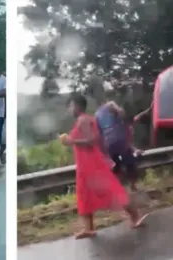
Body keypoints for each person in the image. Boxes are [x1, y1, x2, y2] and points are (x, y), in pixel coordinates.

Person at [61, 94, 148, 239]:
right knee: (84, 195)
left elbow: (91, 141)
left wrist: (71, 141)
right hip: (84, 165)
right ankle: (89, 228)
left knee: (112, 190)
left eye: (70, 105)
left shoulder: (84, 119)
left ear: (77, 105)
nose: (69, 109)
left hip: (92, 164)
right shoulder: (82, 120)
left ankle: (135, 217)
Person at [93, 85, 139, 191]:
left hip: (113, 144)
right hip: (117, 143)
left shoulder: (101, 112)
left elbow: (99, 136)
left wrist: (103, 152)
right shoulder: (104, 109)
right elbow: (122, 114)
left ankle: (125, 187)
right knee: (127, 163)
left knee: (120, 165)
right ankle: (129, 187)